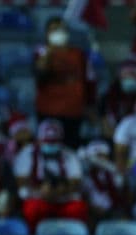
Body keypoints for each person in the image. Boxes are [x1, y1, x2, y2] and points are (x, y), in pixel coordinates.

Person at [14, 119, 87, 231]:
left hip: (63, 197)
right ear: (39, 140)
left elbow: (76, 180)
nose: (50, 145)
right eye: (47, 142)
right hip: (38, 196)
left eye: (54, 142)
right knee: (32, 209)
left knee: (78, 208)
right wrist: (41, 189)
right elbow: (20, 180)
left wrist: (60, 189)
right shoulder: (27, 153)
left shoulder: (70, 154)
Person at [34, 16, 94, 149]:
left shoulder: (79, 54)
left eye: (61, 29)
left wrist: (90, 105)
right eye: (54, 30)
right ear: (47, 33)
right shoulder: (41, 53)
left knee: (71, 149)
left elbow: (89, 80)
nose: (58, 33)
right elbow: (39, 76)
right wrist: (48, 53)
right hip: (49, 111)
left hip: (73, 111)